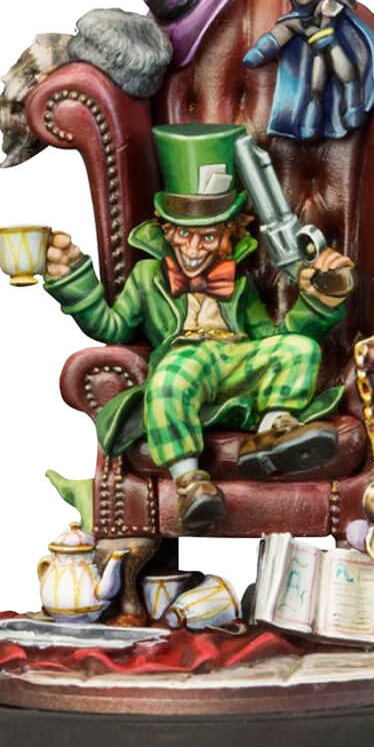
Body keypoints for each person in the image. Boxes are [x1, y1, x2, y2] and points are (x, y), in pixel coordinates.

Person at [43, 123, 354, 534]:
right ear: (166, 231)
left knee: (299, 349)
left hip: (235, 359)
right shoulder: (148, 277)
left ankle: (273, 432)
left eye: (208, 239)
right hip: (186, 360)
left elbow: (272, 340)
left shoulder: (238, 283)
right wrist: (73, 279)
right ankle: (190, 483)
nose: (193, 250)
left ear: (230, 237)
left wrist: (318, 299)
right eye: (183, 236)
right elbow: (112, 327)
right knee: (171, 376)